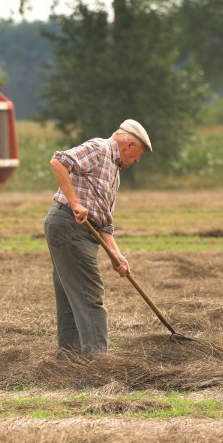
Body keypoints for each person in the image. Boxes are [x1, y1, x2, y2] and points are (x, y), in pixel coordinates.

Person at [44, 119, 152, 353]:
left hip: (81, 231)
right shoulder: (99, 148)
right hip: (69, 226)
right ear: (129, 145)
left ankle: (70, 359)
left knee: (71, 297)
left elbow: (104, 224)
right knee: (88, 295)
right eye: (139, 155)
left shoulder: (114, 173)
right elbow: (58, 162)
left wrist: (117, 256)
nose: (137, 160)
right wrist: (75, 203)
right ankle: (97, 362)